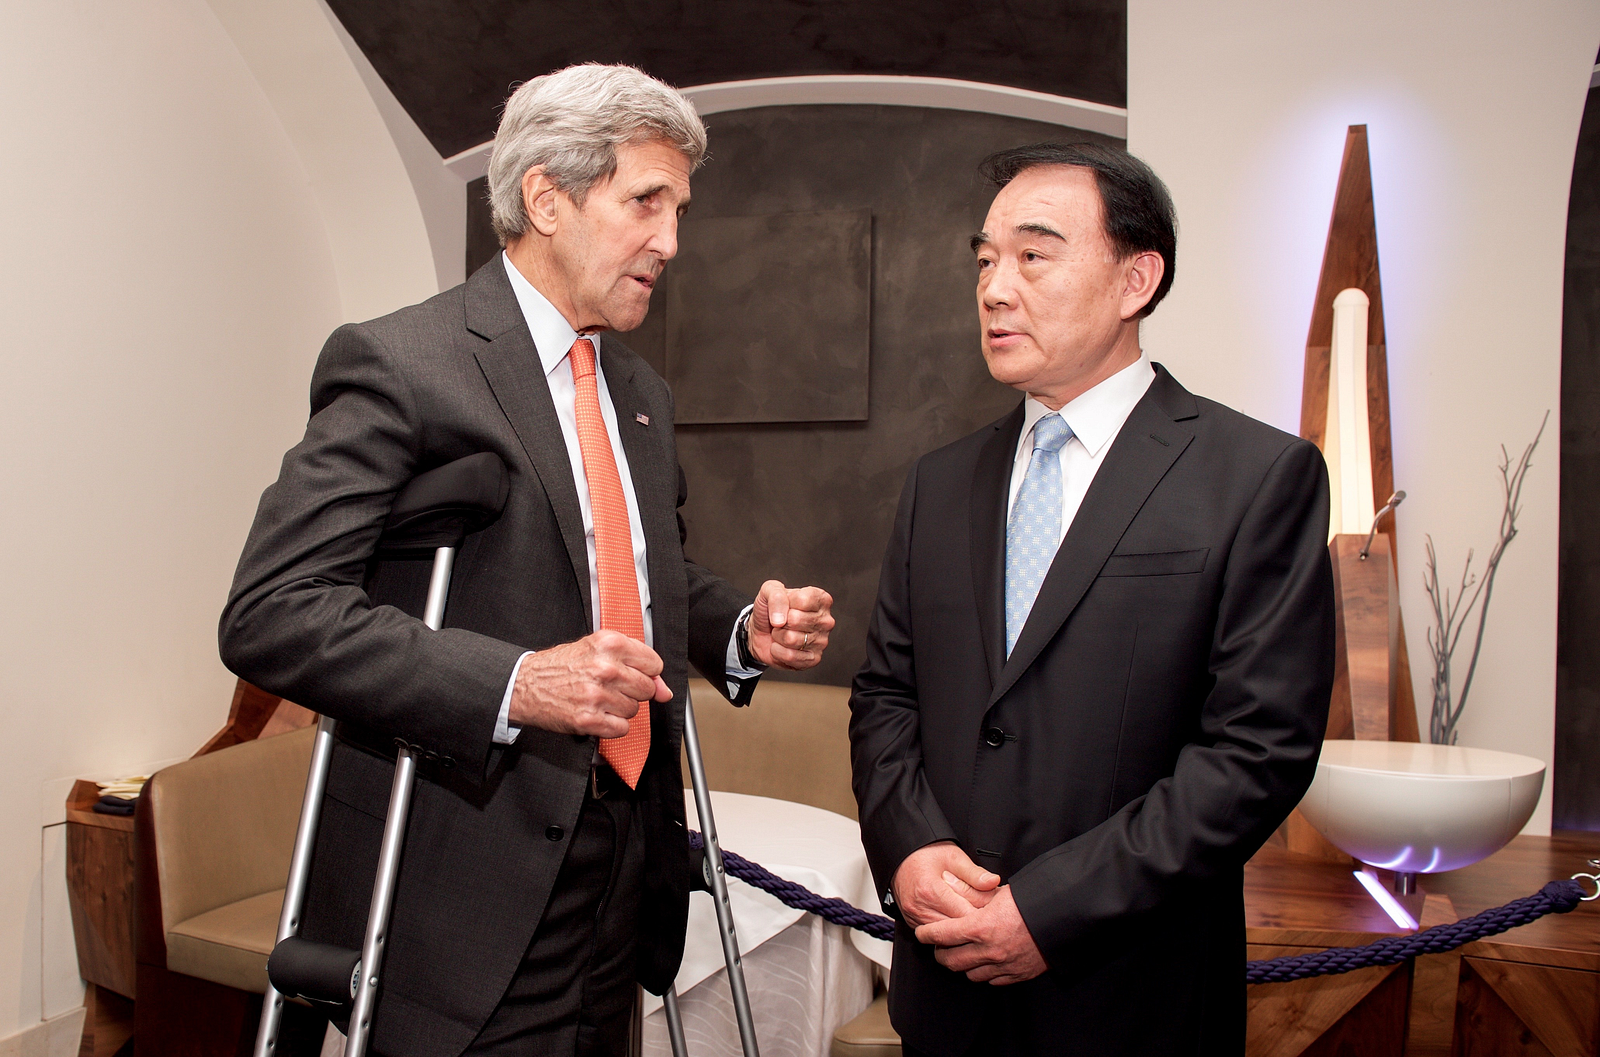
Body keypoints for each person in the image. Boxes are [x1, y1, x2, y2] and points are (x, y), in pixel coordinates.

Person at [220, 63, 834, 1057]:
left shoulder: (640, 392)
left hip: (622, 854)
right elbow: (274, 610)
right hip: (464, 866)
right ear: (547, 198)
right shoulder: (402, 365)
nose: (671, 241)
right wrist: (517, 682)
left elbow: (630, 572)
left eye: (678, 211)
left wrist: (735, 628)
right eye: (647, 201)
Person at [848, 142, 1335, 1056]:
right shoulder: (939, 482)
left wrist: (1052, 908)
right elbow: (886, 695)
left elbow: (1257, 751)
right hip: (946, 999)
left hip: (1130, 996)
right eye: (985, 260)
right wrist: (910, 849)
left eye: (1033, 256)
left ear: (1135, 280)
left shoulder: (1255, 476)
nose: (995, 289)